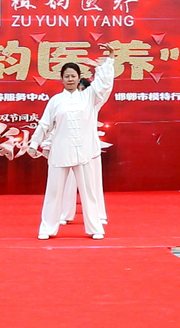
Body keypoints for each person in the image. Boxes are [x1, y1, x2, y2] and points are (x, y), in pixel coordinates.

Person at [28, 43, 115, 240]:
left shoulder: (89, 96)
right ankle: (47, 228)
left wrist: (109, 61)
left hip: (83, 152)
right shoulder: (55, 101)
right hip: (60, 152)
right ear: (61, 79)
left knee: (89, 192)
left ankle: (95, 228)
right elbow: (44, 124)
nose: (70, 79)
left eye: (73, 76)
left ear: (78, 78)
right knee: (53, 192)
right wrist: (34, 143)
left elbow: (104, 85)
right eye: (66, 76)